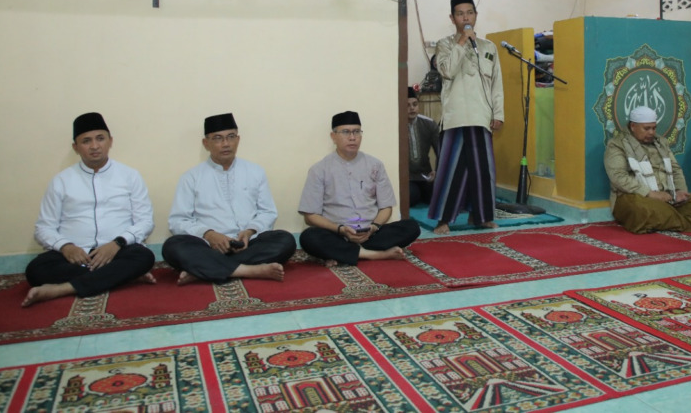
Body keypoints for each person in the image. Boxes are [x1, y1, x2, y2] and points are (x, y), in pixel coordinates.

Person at [23, 112, 155, 307]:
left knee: (144, 257)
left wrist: (117, 243)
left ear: (110, 141)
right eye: (86, 141)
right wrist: (66, 247)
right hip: (75, 256)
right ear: (75, 147)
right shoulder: (61, 181)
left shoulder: (129, 176)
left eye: (100, 139)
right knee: (35, 270)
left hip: (117, 251)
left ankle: (63, 288)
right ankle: (121, 276)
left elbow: (145, 222)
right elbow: (43, 228)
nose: (94, 146)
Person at [162, 113, 296, 285]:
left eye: (230, 137)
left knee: (285, 240)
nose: (225, 144)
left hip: (248, 245)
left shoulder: (255, 172)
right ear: (206, 143)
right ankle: (249, 270)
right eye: (218, 138)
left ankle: (204, 270)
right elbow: (178, 221)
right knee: (173, 246)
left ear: (238, 140)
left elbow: (268, 212)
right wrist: (210, 235)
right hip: (210, 247)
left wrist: (250, 231)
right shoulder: (191, 177)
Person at [299, 111, 421, 266]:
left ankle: (345, 253)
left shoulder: (375, 165)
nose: (352, 137)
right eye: (346, 132)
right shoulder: (319, 169)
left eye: (357, 131)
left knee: (411, 226)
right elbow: (310, 216)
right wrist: (341, 229)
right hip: (337, 232)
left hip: (370, 233)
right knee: (309, 237)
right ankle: (374, 254)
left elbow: (386, 207)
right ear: (333, 136)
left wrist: (374, 227)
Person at [429, 0, 504, 234]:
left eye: (469, 12)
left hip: (481, 116)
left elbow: (496, 83)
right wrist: (462, 41)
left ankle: (482, 217)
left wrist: (498, 113)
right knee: (451, 170)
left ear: (476, 14)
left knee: (483, 170)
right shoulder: (444, 45)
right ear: (452, 18)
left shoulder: (488, 46)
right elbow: (448, 71)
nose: (465, 17)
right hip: (455, 117)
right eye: (460, 14)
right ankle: (443, 220)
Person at [604, 106, 691, 233]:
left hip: (666, 194)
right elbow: (618, 177)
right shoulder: (617, 144)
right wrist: (650, 194)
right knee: (647, 210)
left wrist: (680, 191)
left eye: (654, 128)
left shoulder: (661, 142)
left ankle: (675, 221)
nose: (652, 132)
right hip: (633, 196)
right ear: (633, 126)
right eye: (647, 128)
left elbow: (675, 169)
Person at [406, 87, 440, 206]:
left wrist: (437, 171)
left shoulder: (429, 124)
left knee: (439, 195)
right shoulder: (396, 126)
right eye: (407, 105)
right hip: (407, 178)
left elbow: (440, 151)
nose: (412, 108)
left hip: (426, 176)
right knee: (411, 197)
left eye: (415, 104)